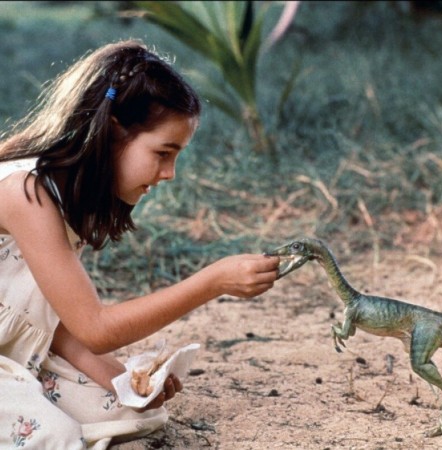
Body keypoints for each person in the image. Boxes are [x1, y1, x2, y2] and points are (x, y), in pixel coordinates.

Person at [0, 39, 280, 449]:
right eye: (163, 153)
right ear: (114, 131)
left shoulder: (65, 197)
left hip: (12, 351)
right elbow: (96, 328)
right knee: (53, 436)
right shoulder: (25, 193)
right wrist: (212, 282)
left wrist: (121, 379)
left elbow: (55, 322)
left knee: (132, 411)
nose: (170, 173)